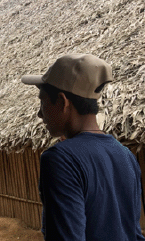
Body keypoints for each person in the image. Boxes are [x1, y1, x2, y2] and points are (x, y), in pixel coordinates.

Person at [21, 53, 145, 240]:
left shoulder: (60, 159)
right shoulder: (125, 155)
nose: (40, 113)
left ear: (63, 102)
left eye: (43, 101)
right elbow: (133, 231)